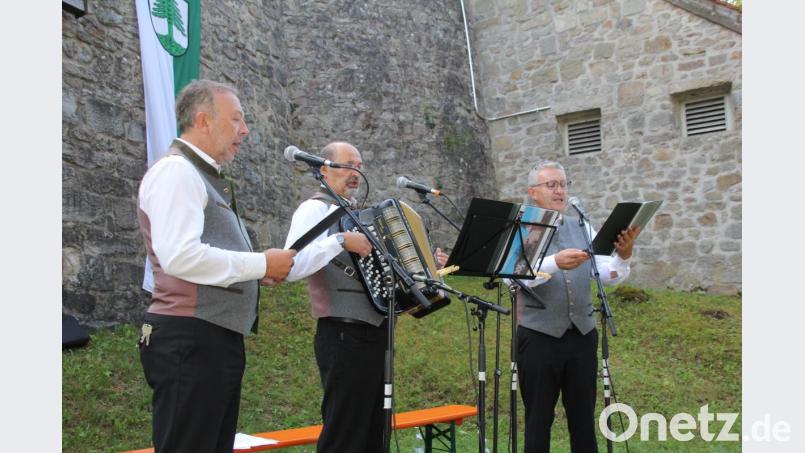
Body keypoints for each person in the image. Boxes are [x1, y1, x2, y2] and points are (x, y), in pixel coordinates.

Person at [136, 79, 296, 453]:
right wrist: (260, 263)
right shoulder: (177, 172)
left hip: (207, 338)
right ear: (204, 121)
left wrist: (259, 270)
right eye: (237, 119)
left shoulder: (198, 175)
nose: (245, 130)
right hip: (191, 340)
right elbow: (180, 257)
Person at [283, 141, 448, 453]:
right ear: (323, 169)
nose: (355, 172)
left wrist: (427, 267)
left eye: (358, 166)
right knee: (344, 434)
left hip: (377, 334)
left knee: (375, 433)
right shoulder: (314, 209)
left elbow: (388, 271)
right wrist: (340, 240)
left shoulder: (361, 215)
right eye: (347, 165)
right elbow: (292, 265)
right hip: (343, 333)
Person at [516, 160, 639, 453]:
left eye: (563, 184)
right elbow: (515, 278)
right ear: (533, 192)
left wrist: (624, 256)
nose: (560, 191)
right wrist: (555, 263)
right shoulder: (522, 228)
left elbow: (608, 274)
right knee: (538, 421)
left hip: (583, 335)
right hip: (538, 337)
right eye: (551, 185)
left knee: (583, 420)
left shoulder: (581, 225)